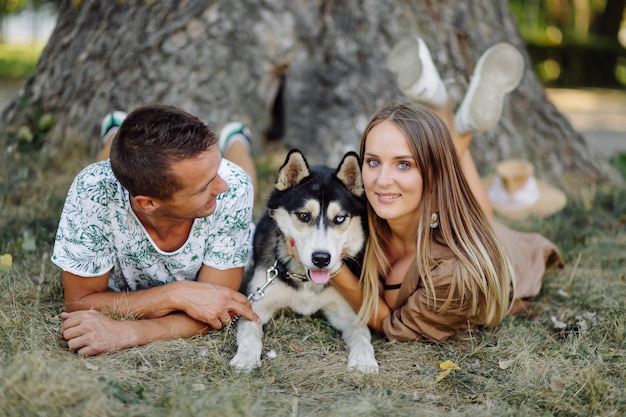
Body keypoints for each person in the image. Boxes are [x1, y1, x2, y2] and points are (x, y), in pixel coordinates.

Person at [329, 38, 564, 342]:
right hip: (449, 215)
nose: (382, 180)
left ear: (432, 173)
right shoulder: (358, 212)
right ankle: (451, 116)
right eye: (373, 161)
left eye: (403, 165)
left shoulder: (455, 276)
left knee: (485, 225)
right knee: (476, 215)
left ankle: (450, 116)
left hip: (501, 252)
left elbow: (394, 327)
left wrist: (334, 271)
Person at [52, 104, 261, 356]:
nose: (222, 185)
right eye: (204, 186)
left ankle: (237, 140)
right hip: (113, 185)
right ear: (148, 204)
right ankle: (114, 135)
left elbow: (218, 307)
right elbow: (80, 302)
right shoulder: (91, 191)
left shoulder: (233, 188)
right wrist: (174, 294)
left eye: (217, 170)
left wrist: (128, 332)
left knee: (241, 180)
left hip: (233, 190)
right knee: (109, 175)